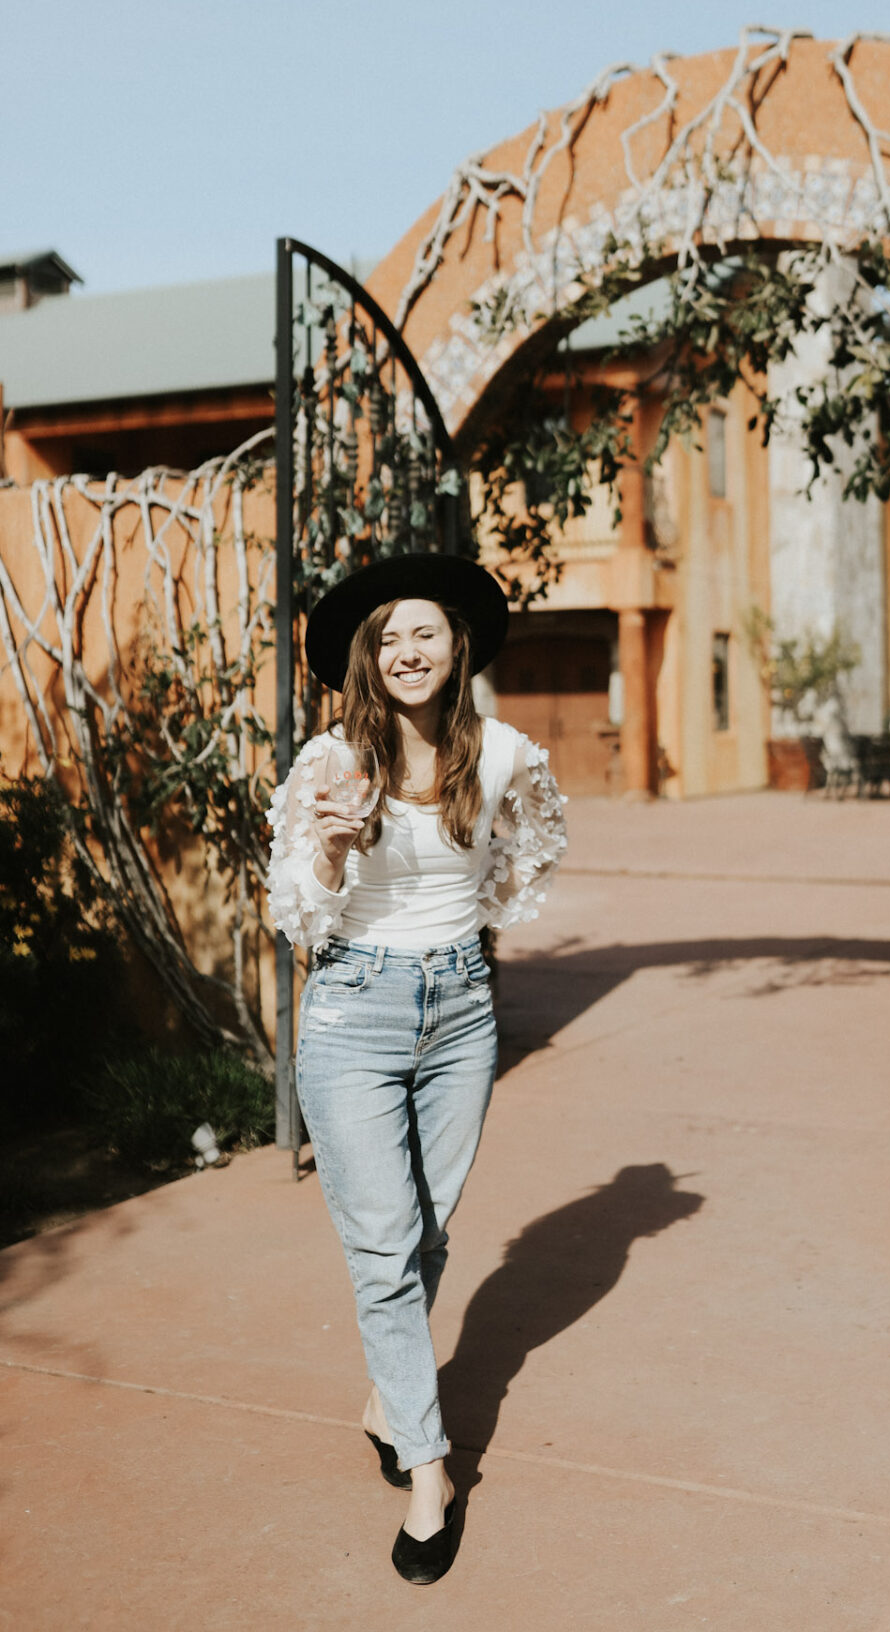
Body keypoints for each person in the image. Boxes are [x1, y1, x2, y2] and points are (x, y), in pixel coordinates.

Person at [266, 553, 567, 1585]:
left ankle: (384, 1399)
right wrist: (338, 855)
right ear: (369, 656)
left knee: (427, 1230)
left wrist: (467, 922)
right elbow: (294, 913)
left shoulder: (504, 755)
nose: (406, 651)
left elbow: (530, 852)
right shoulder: (329, 764)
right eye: (388, 637)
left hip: (460, 1018)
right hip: (353, 1009)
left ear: (456, 649)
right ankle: (429, 1471)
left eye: (424, 633)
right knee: (386, 1245)